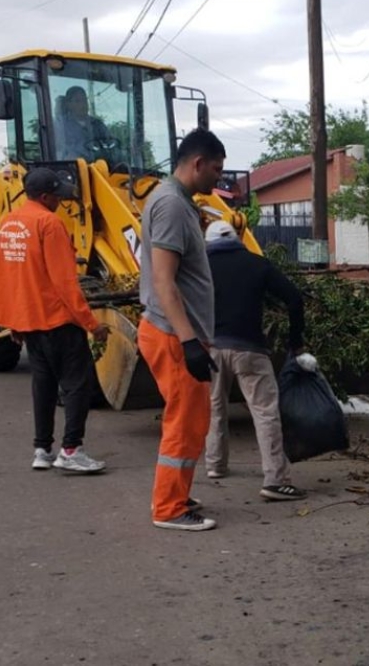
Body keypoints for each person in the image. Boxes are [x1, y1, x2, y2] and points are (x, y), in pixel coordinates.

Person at [0, 167, 110, 473]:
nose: (60, 200)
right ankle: (71, 449)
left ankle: (42, 449)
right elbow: (65, 284)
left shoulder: (8, 224)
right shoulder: (49, 223)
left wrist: (13, 322)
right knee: (77, 385)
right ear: (45, 196)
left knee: (43, 385)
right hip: (58, 321)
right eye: (57, 195)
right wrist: (92, 324)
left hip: (29, 323)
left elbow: (7, 277)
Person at [138, 128, 226, 532]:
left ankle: (178, 493)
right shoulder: (171, 205)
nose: (218, 180)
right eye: (216, 171)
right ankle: (169, 508)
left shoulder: (176, 202)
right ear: (197, 163)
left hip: (179, 332)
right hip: (174, 335)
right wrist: (189, 341)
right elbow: (164, 281)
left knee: (193, 420)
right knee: (182, 421)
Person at [202, 220, 307, 501]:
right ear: (238, 239)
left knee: (214, 406)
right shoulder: (257, 264)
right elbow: (294, 299)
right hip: (249, 348)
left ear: (207, 243)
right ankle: (275, 480)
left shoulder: (199, 267)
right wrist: (295, 342)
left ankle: (214, 465)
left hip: (209, 348)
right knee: (264, 412)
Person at [54, 86, 113, 161]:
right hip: (72, 169)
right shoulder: (60, 125)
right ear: (68, 104)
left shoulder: (97, 125)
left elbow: (111, 144)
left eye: (85, 100)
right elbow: (59, 151)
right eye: (77, 101)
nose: (83, 104)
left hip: (100, 168)